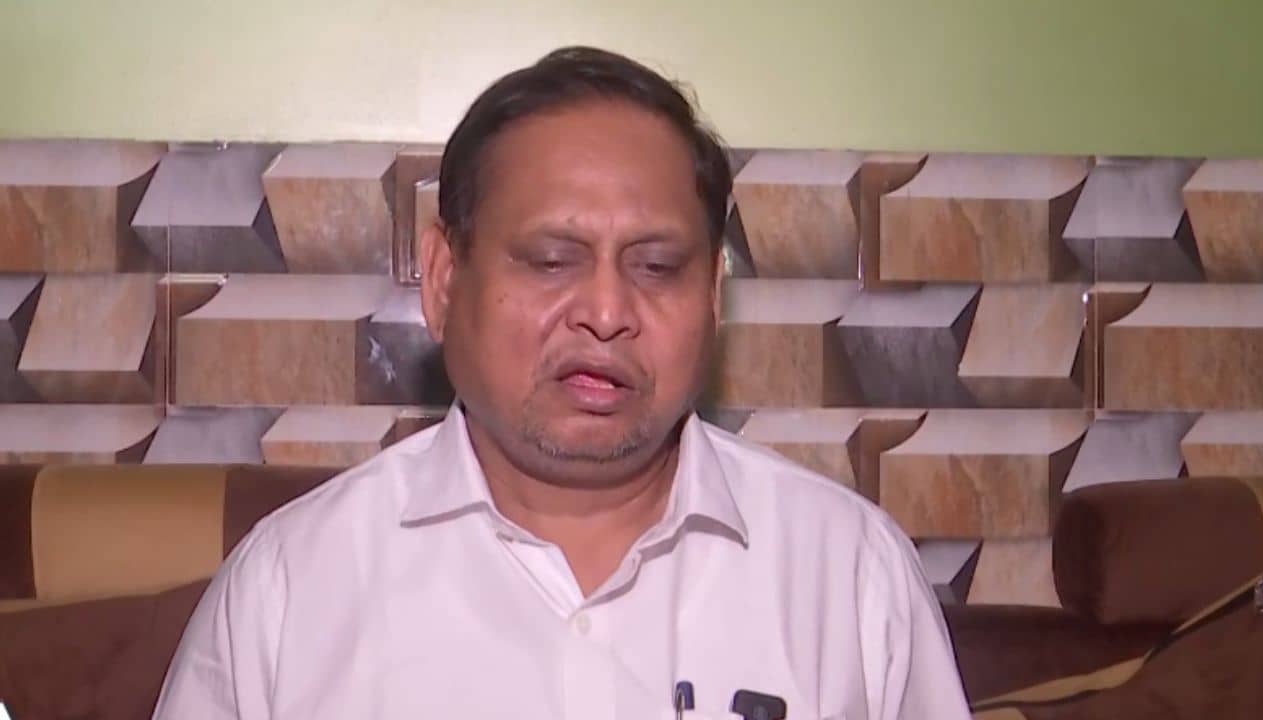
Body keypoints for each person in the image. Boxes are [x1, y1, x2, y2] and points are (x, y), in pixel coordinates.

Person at [154, 46, 970, 719]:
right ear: (444, 280)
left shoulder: (849, 577)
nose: (607, 314)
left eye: (657, 267)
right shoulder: (291, 590)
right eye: (551, 261)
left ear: (713, 299)